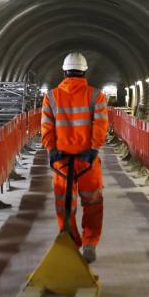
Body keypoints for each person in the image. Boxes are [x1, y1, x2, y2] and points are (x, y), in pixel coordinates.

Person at [41, 52, 108, 263]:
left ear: (64, 72)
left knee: (64, 204)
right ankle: (90, 243)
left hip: (62, 161)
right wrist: (94, 149)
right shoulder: (96, 96)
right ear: (84, 71)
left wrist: (51, 150)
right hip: (87, 160)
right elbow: (101, 125)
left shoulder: (51, 96)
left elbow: (46, 127)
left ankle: (70, 240)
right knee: (93, 202)